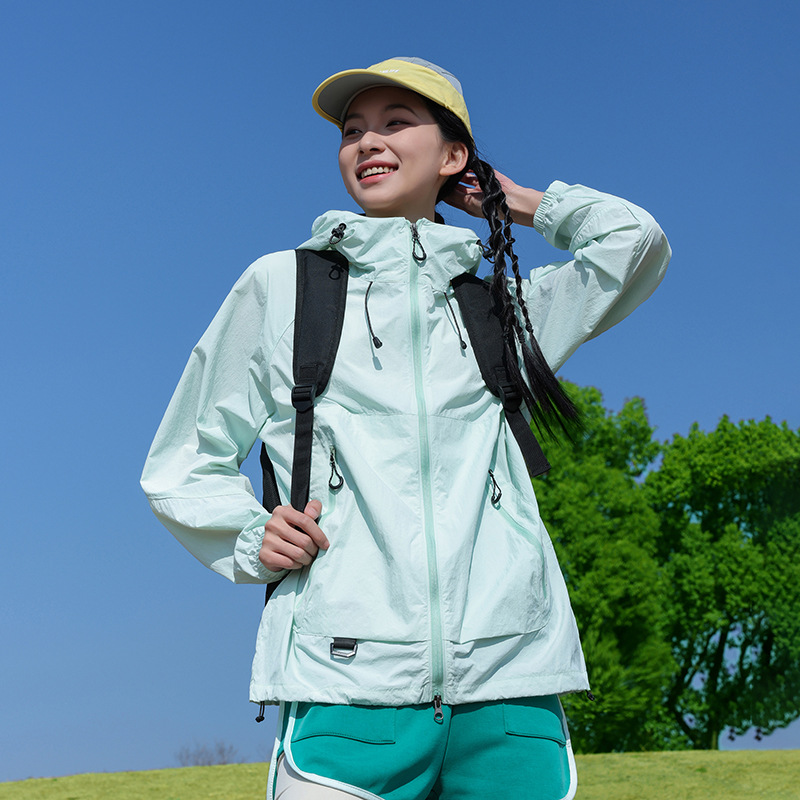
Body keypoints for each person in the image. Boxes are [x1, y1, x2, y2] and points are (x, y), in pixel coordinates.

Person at [141, 57, 670, 800]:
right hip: (344, 688)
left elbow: (635, 243)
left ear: (454, 157)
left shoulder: (502, 310)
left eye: (395, 123)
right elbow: (183, 460)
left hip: (512, 693)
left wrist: (513, 200)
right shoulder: (282, 286)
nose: (366, 141)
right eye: (352, 131)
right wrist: (251, 534)